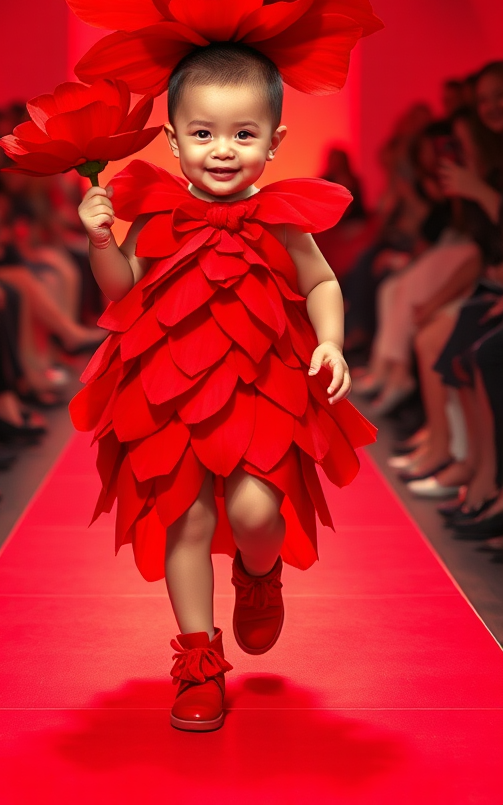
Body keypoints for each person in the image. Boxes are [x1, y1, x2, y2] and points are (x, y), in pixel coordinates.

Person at [73, 43, 376, 731]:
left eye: (244, 134)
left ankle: (259, 571)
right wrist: (99, 244)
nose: (222, 150)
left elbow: (320, 280)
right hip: (170, 386)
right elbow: (122, 290)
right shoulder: (153, 214)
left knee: (253, 515)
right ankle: (198, 662)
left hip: (263, 385)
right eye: (203, 133)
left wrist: (329, 338)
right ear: (174, 137)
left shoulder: (283, 215)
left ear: (275, 141)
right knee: (188, 518)